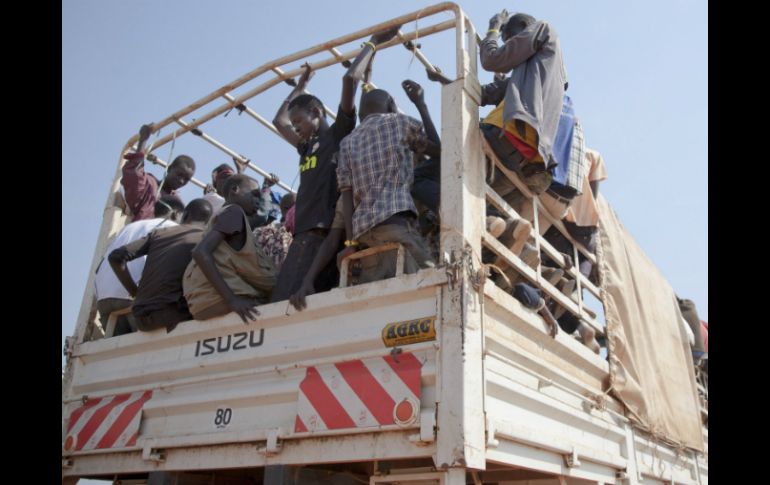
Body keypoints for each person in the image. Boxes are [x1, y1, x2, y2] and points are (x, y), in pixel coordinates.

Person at [269, 26, 401, 302]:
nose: (296, 128)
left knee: (288, 303)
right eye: (295, 125)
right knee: (284, 302)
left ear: (316, 113)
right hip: (303, 236)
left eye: (300, 122)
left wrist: (373, 43)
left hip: (322, 235)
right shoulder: (306, 147)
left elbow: (349, 78)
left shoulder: (337, 135)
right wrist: (300, 88)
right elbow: (277, 121)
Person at [337, 89, 435, 284]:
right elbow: (438, 150)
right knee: (433, 284)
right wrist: (421, 105)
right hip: (397, 228)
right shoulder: (400, 122)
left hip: (365, 240)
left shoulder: (346, 143)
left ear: (360, 115)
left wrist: (350, 243)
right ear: (391, 105)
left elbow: (346, 195)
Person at [183, 175, 278, 323]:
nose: (257, 200)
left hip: (204, 302)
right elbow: (200, 252)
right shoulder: (234, 212)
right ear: (235, 190)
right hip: (220, 299)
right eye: (254, 194)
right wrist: (232, 300)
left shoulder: (224, 217)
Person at [109, 199, 213, 333]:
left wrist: (136, 293)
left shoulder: (160, 233)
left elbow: (115, 257)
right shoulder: (207, 238)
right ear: (208, 222)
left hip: (140, 316)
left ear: (185, 215)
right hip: (174, 315)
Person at [93, 195, 182, 335]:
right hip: (131, 297)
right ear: (177, 214)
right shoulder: (170, 227)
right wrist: (136, 293)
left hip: (104, 300)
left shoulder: (128, 228)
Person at [122, 123, 196, 221]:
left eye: (186, 179)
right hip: (144, 233)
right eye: (179, 175)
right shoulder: (150, 184)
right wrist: (143, 140)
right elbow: (134, 175)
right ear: (169, 169)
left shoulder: (178, 203)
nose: (181, 181)